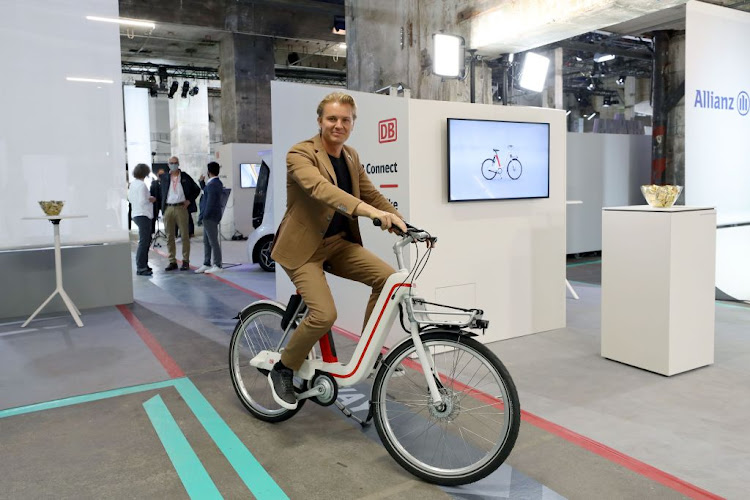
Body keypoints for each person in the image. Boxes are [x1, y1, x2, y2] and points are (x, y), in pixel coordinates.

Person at [268, 91, 406, 409]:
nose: (338, 125)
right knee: (325, 314)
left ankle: (368, 353)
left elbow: (372, 193)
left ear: (353, 123)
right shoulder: (299, 154)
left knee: (388, 280)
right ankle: (284, 368)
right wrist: (370, 214)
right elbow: (322, 189)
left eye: (345, 120)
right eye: (332, 118)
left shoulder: (351, 157)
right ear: (320, 121)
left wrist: (404, 224)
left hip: (337, 244)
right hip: (303, 249)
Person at [159, 156, 200, 271]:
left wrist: (189, 200)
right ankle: (172, 261)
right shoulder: (165, 177)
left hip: (181, 207)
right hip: (168, 208)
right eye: (171, 163)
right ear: (168, 164)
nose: (173, 165)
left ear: (178, 164)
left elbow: (196, 189)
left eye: (175, 163)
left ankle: (185, 261)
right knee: (169, 236)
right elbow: (161, 193)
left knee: (184, 235)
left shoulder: (185, 176)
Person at [195, 162, 224, 274]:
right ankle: (206, 263)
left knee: (212, 241)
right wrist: (201, 183)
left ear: (208, 172)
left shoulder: (213, 185)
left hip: (209, 217)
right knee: (207, 241)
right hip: (210, 216)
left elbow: (209, 202)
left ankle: (217, 264)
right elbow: (206, 193)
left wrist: (203, 216)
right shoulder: (214, 183)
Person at [128, 163, 156, 276]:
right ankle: (141, 267)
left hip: (136, 213)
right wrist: (151, 199)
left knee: (144, 240)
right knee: (144, 241)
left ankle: (143, 264)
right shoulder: (142, 185)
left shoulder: (133, 184)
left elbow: (130, 199)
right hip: (143, 214)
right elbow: (142, 201)